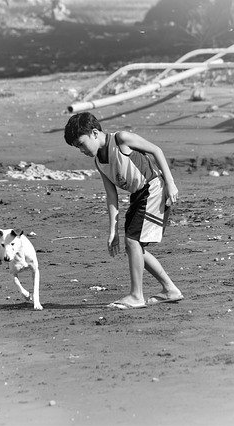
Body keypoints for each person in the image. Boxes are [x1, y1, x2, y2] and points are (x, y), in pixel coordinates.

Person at [63, 112, 184, 309]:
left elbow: (156, 150)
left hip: (154, 188)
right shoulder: (99, 162)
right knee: (133, 246)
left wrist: (171, 184)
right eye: (77, 147)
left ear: (94, 133)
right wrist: (113, 230)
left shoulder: (121, 139)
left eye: (81, 144)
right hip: (138, 195)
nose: (81, 150)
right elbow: (111, 196)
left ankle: (137, 296)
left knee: (133, 242)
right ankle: (170, 289)